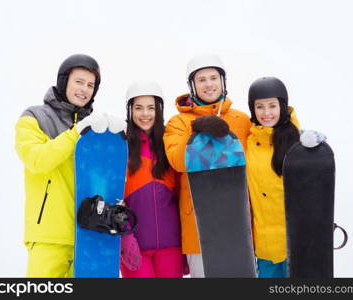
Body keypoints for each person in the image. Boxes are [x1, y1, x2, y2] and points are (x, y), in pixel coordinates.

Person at [15, 54, 125, 278]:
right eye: (79, 82)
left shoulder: (94, 130)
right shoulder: (34, 118)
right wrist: (76, 134)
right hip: (49, 236)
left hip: (88, 234)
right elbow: (37, 160)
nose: (84, 90)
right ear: (64, 81)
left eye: (90, 85)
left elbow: (105, 181)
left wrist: (115, 143)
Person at [163, 54, 252, 277]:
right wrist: (197, 131)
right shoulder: (179, 122)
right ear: (192, 86)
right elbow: (177, 160)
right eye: (201, 80)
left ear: (223, 82)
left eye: (214, 78)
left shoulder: (242, 120)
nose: (209, 84)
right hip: (199, 224)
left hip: (237, 222)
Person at [120, 80, 184, 278]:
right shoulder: (121, 147)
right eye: (138, 108)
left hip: (171, 246)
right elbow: (115, 199)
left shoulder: (169, 144)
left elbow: (183, 194)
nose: (145, 114)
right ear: (130, 110)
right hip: (136, 246)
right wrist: (125, 237)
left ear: (159, 110)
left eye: (150, 108)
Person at [245, 76, 302, 278]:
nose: (266, 113)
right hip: (265, 245)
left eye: (272, 106)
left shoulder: (298, 141)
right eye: (260, 107)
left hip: (294, 242)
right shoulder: (249, 142)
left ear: (283, 106)